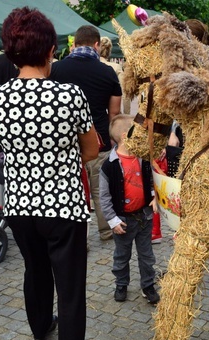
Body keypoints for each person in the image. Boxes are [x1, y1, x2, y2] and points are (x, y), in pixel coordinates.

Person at [0, 7, 99, 340]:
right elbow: (91, 149)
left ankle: (40, 329)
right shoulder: (70, 95)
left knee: (33, 270)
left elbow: (5, 145)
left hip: (19, 203)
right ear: (51, 49)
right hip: (62, 204)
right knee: (69, 287)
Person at [50, 25, 122, 242]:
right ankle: (106, 230)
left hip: (64, 140)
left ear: (74, 44)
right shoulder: (108, 72)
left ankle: (76, 234)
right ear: (97, 45)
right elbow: (115, 113)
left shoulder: (56, 70)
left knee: (70, 187)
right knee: (100, 188)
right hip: (98, 138)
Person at [99, 115, 160, 305]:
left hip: (143, 217)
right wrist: (113, 221)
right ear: (126, 136)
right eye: (138, 133)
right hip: (122, 221)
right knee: (121, 255)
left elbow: (151, 182)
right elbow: (104, 197)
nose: (141, 137)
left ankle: (148, 285)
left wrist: (154, 198)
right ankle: (121, 284)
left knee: (147, 255)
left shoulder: (143, 159)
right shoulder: (109, 166)